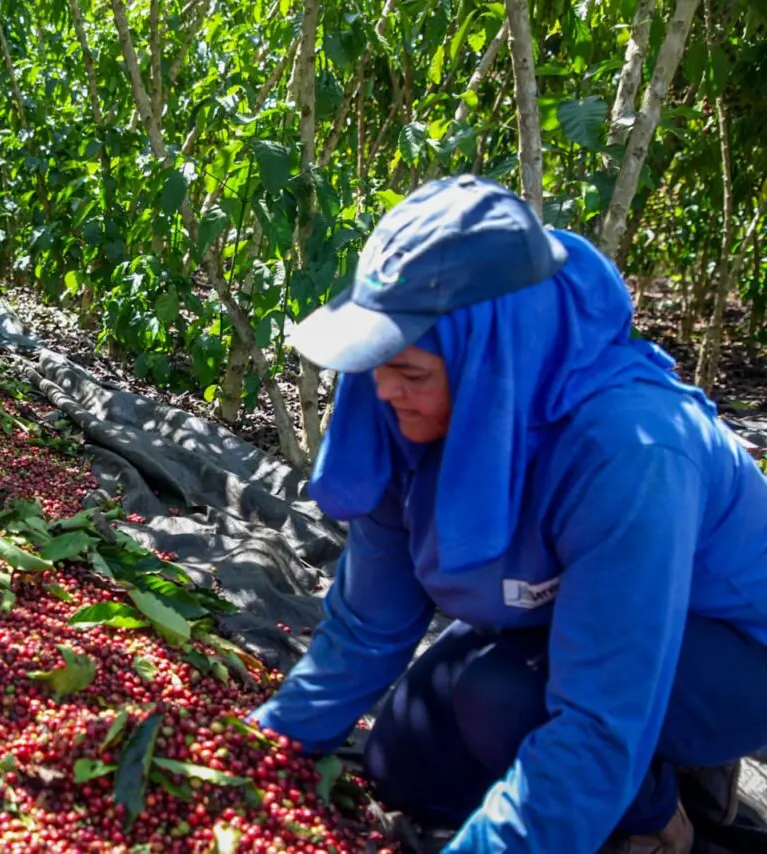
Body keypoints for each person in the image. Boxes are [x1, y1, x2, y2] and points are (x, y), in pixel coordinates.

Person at [249, 175, 767, 854]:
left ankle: (664, 816)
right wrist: (266, 746)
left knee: (501, 702)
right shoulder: (402, 407)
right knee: (401, 758)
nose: (382, 388)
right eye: (381, 363)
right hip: (571, 621)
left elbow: (596, 718)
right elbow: (369, 622)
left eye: (410, 371)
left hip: (723, 648)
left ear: (488, 361)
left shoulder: (632, 451)